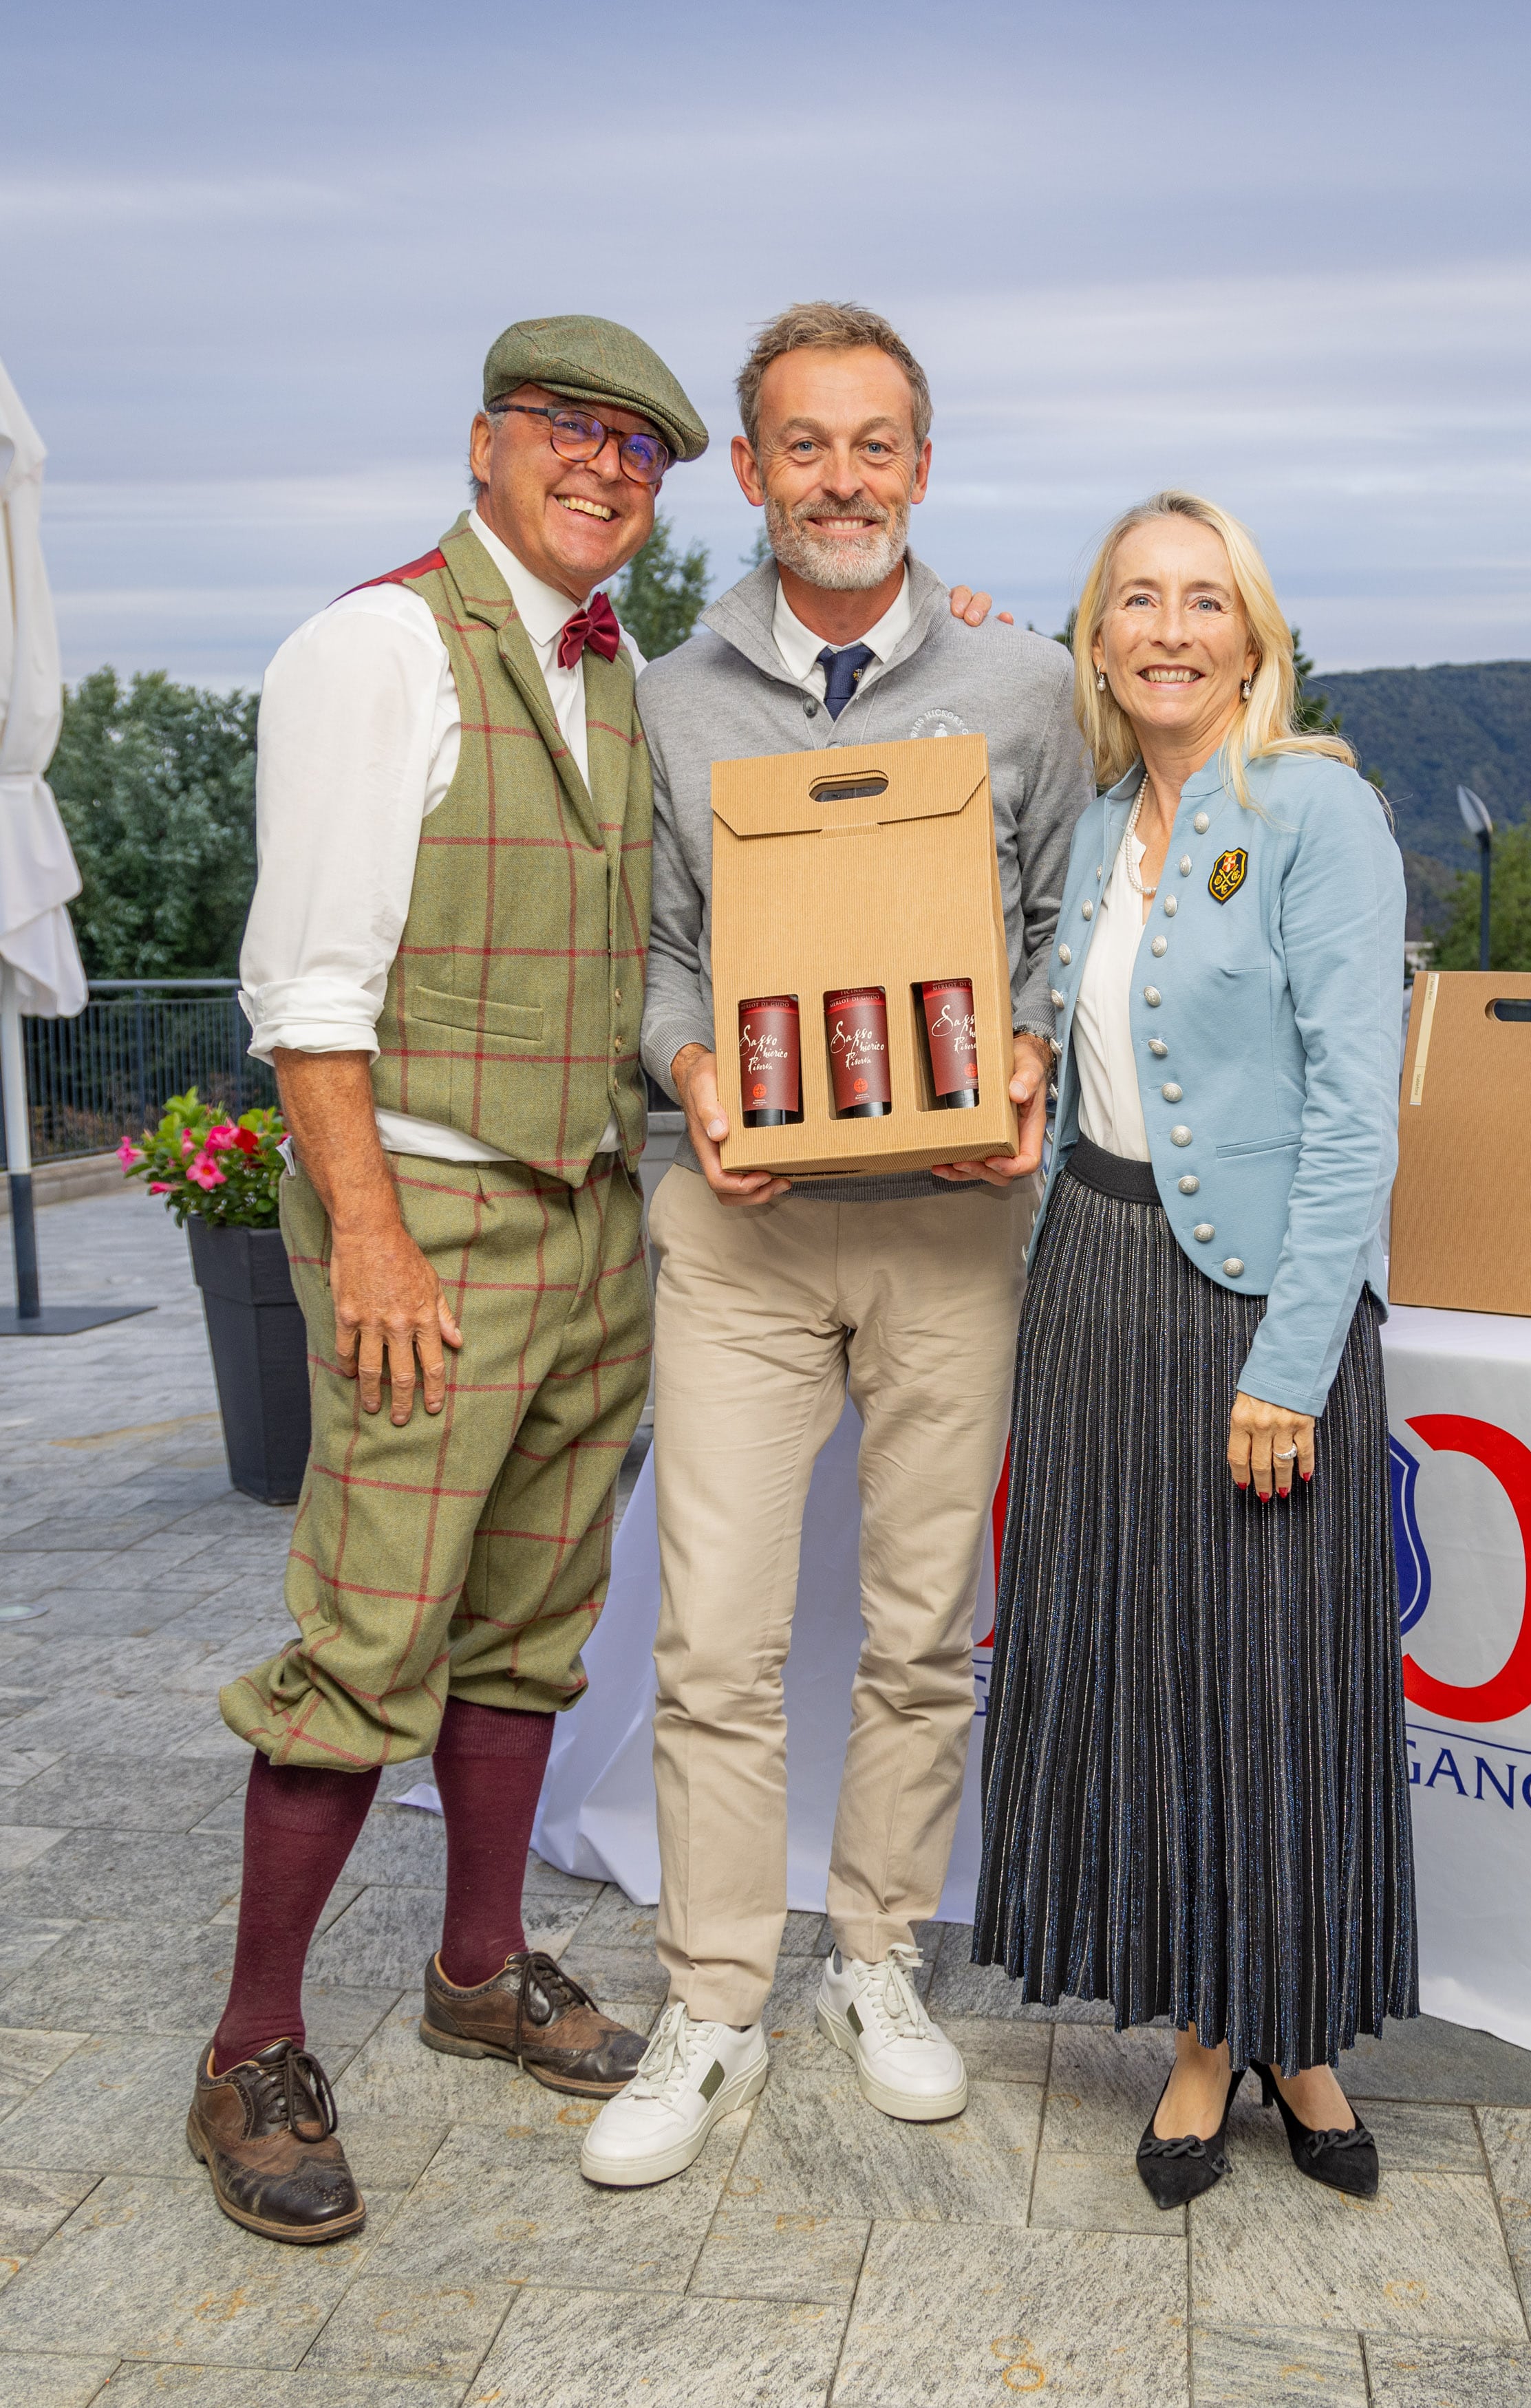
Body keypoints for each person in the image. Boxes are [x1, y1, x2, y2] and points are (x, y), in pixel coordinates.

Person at [189, 318, 709, 2244]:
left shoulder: (616, 666)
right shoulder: (377, 646)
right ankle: (250, 2046)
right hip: (427, 1209)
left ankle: (478, 1970)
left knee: (528, 1625)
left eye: (639, 451)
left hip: (586, 1210)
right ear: (484, 442)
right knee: (369, 1635)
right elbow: (307, 988)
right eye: (569, 429)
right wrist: (371, 1235)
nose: (604, 467)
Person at [579, 300, 1093, 2190]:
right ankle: (713, 1998)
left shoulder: (1027, 687)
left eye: (876, 444)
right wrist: (690, 1071)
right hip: (742, 1231)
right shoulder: (664, 698)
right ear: (751, 469)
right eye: (805, 444)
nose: (842, 479)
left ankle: (876, 1955)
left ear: (923, 468)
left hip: (956, 1230)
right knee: (712, 1634)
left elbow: (1061, 923)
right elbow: (656, 951)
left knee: (921, 1630)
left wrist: (1027, 1050)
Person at [973, 490, 1415, 2210]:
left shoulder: (1318, 810)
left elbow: (1355, 1119)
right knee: (1149, 1679)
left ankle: (1289, 2037)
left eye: (1205, 600)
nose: (1171, 630)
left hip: (1258, 1305)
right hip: (1091, 1280)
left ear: (1254, 637)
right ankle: (1207, 2032)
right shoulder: (1100, 823)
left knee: (1276, 1684)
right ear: (1097, 641)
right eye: (1138, 600)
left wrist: (1292, 1365)